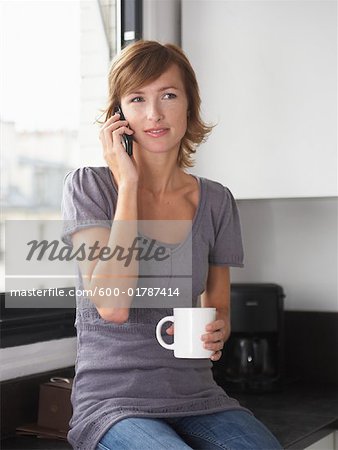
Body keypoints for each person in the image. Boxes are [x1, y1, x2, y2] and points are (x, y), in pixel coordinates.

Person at [61, 40, 282, 450]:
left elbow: (219, 310)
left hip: (198, 396)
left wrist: (217, 331)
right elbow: (111, 305)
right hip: (113, 403)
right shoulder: (89, 187)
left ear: (189, 105)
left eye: (168, 95)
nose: (154, 114)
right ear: (118, 115)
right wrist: (128, 184)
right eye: (137, 99)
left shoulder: (217, 201)